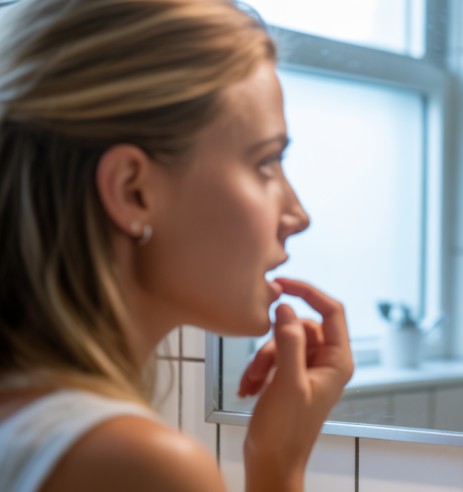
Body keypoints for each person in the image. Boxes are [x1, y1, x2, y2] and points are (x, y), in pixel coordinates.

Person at [0, 1, 354, 490]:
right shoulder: (136, 462)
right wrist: (278, 466)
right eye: (266, 164)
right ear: (133, 191)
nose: (298, 216)